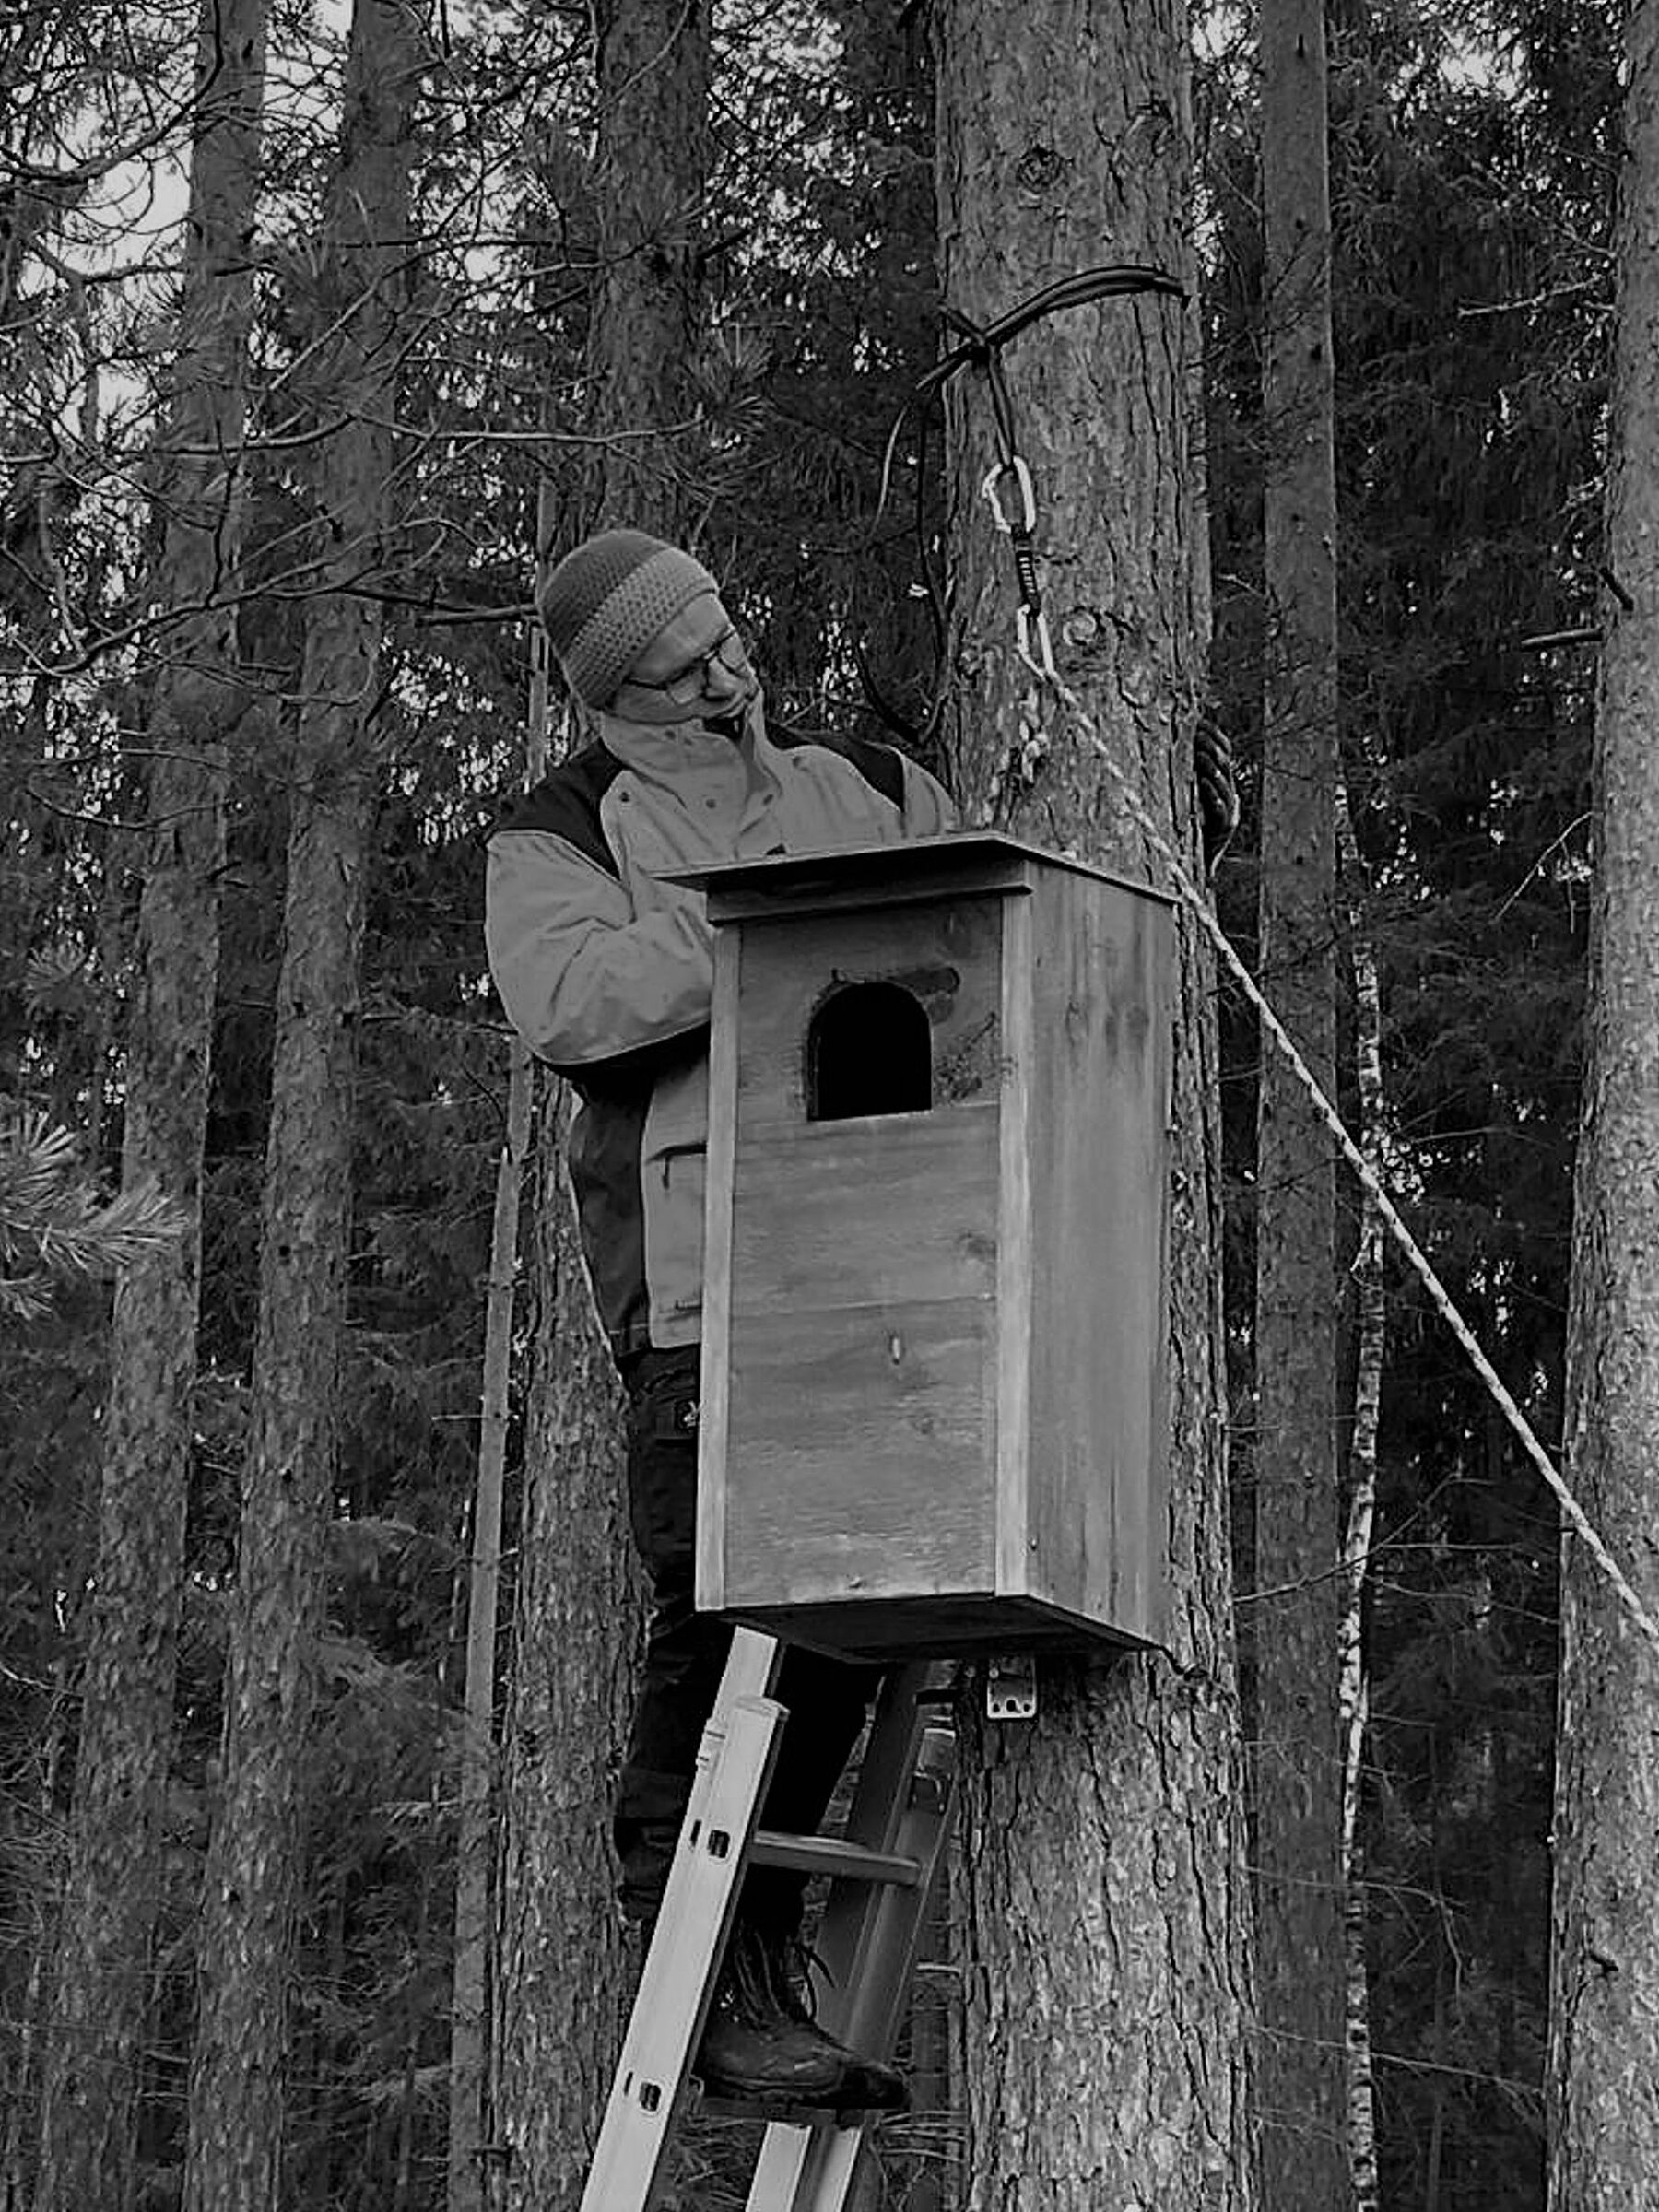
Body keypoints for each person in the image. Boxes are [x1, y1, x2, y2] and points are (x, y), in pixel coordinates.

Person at [484, 527, 1239, 2112]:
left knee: (837, 1626)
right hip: (705, 1297)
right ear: (623, 688)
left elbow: (988, 925)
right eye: (686, 661)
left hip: (900, 1265)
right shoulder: (556, 833)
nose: (728, 669)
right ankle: (690, 1974)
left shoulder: (862, 779)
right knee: (718, 1620)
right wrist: (768, 921)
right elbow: (572, 1004)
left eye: (725, 632)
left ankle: (751, 1969)